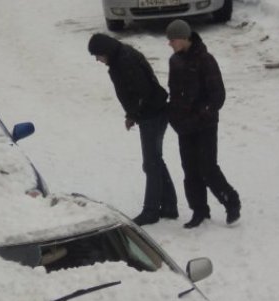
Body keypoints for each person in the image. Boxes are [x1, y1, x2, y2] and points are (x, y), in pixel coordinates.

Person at [88, 33, 179, 226]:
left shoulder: (125, 61)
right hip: (151, 112)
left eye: (97, 55)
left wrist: (135, 113)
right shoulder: (120, 58)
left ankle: (151, 211)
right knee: (155, 160)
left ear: (105, 51)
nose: (97, 60)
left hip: (153, 114)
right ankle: (169, 206)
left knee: (151, 163)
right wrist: (132, 114)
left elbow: (142, 92)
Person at [165, 19, 241, 228]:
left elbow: (218, 96)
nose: (170, 44)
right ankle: (199, 211)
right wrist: (174, 115)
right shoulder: (174, 62)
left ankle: (231, 202)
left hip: (204, 125)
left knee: (207, 167)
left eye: (173, 40)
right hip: (184, 126)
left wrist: (202, 114)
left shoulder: (205, 60)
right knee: (190, 170)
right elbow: (174, 93)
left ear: (184, 38)